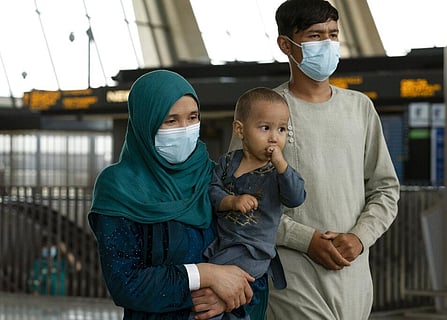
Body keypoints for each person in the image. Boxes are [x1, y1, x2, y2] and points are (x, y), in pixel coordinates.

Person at [229, 1, 400, 319]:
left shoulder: (359, 108)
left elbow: (385, 190)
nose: (327, 44)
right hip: (292, 282)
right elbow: (237, 202)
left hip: (354, 282)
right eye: (314, 35)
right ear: (286, 44)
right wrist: (305, 240)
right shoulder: (263, 114)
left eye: (333, 35)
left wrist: (359, 238)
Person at [88, 70, 258, 320]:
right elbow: (126, 283)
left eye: (192, 118)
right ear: (146, 123)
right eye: (171, 121)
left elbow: (257, 252)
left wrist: (228, 296)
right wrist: (205, 275)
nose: (186, 129)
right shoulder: (118, 187)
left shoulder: (216, 177)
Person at [205, 87, 306, 319]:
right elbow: (212, 191)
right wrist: (231, 201)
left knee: (211, 290)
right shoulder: (228, 162)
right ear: (240, 130)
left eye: (281, 129)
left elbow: (296, 197)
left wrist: (282, 166)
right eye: (265, 128)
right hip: (224, 245)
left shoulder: (277, 172)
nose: (274, 137)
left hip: (252, 252)